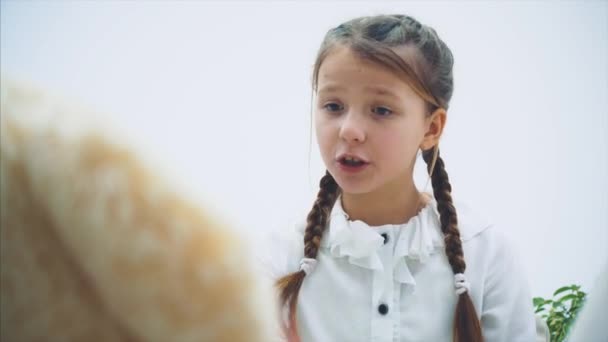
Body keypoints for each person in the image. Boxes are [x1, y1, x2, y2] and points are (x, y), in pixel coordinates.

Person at [260, 14, 537, 342]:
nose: (349, 130)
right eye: (333, 106)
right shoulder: (279, 256)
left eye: (381, 110)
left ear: (431, 128)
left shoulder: (487, 255)